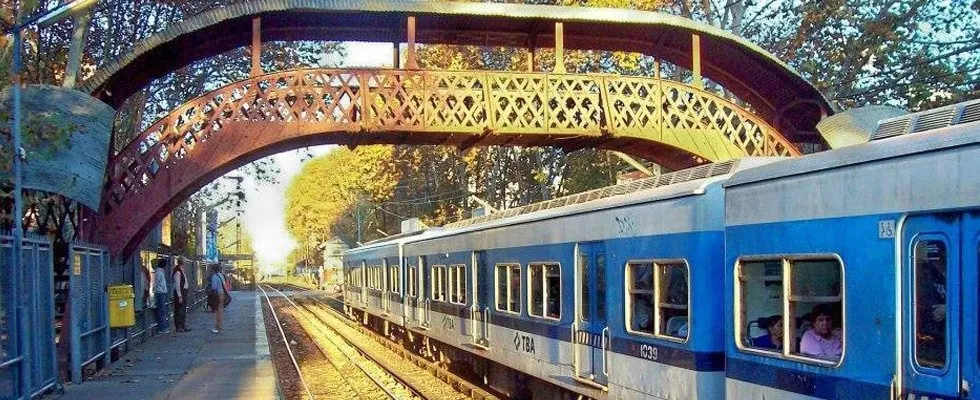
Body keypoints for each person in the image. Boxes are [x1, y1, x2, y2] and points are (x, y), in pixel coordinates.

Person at [172, 260, 191, 332]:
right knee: (179, 310)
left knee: (182, 309)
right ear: (182, 263)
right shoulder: (178, 272)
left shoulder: (180, 271)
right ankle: (179, 326)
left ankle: (182, 325)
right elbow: (177, 284)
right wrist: (179, 296)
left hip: (183, 292)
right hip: (181, 292)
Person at [153, 260, 171, 334]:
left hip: (161, 292)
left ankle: (163, 327)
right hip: (160, 293)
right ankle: (162, 328)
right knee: (161, 310)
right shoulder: (159, 273)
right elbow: (156, 283)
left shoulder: (159, 272)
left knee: (162, 310)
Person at [209, 264, 227, 334]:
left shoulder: (214, 276)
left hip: (217, 294)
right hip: (222, 293)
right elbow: (224, 284)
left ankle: (218, 327)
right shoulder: (221, 275)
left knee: (217, 311)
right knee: (220, 311)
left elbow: (214, 287)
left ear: (213, 270)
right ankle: (219, 327)